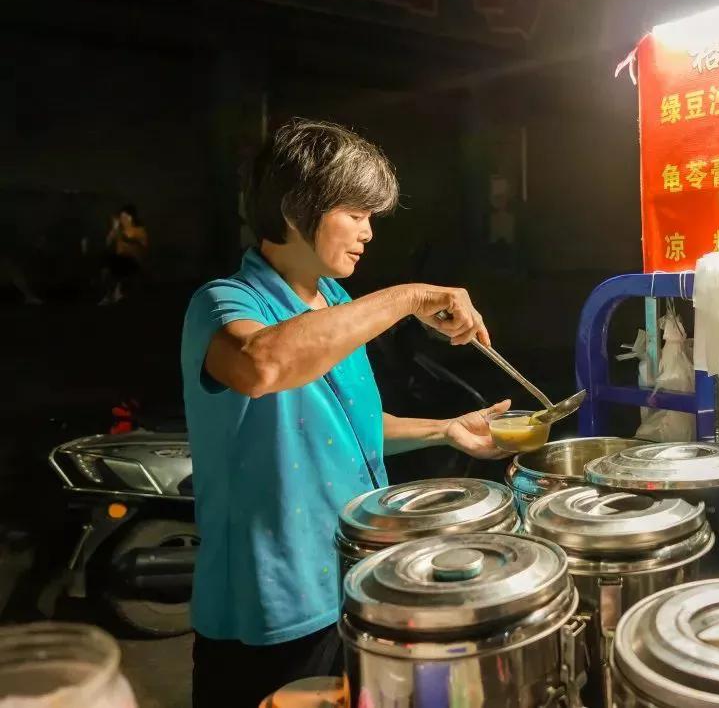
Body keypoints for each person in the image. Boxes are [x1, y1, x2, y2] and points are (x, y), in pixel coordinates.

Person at [181, 119, 511, 708]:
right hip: (273, 604)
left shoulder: (333, 303)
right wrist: (408, 298)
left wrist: (446, 430)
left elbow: (347, 429)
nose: (368, 233)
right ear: (294, 207)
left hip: (356, 583)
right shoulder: (224, 302)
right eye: (356, 213)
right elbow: (263, 366)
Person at [99, 204, 148, 304]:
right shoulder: (119, 230)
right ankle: (110, 294)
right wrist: (113, 230)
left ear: (131, 217)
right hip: (119, 260)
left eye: (125, 217)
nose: (123, 219)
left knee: (117, 262)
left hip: (133, 261)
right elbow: (108, 242)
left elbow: (141, 244)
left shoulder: (139, 230)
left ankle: (118, 292)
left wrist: (126, 238)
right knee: (106, 267)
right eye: (121, 217)